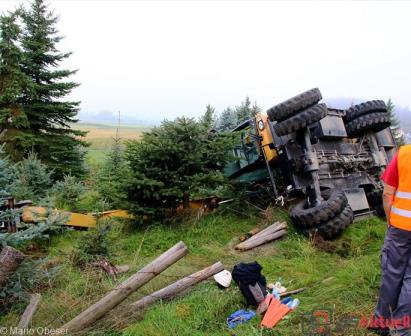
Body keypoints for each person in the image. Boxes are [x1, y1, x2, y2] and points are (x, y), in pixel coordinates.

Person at [373, 145, 411, 336]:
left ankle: (381, 322)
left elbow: (387, 193)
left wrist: (390, 219)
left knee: (392, 273)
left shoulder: (404, 153)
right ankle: (399, 328)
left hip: (399, 227)